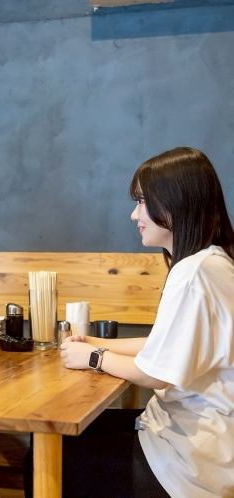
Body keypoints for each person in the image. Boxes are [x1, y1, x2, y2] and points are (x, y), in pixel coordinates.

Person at [26, 147, 234, 497]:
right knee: (59, 436)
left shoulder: (194, 273)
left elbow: (156, 373)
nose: (134, 214)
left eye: (141, 201)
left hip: (190, 463)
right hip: (197, 438)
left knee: (46, 455)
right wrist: (94, 342)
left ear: (174, 202)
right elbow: (164, 345)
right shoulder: (212, 262)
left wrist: (94, 358)